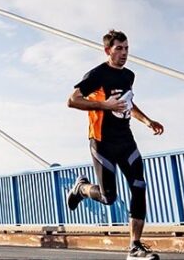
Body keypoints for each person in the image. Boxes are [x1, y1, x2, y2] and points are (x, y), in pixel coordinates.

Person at [66, 30, 164, 260]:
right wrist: (105, 105)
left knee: (139, 186)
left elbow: (128, 102)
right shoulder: (96, 74)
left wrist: (148, 120)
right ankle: (81, 188)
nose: (124, 53)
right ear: (107, 50)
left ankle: (135, 246)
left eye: (127, 48)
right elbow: (72, 100)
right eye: (119, 48)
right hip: (102, 142)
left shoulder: (128, 75)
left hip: (125, 140)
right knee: (109, 197)